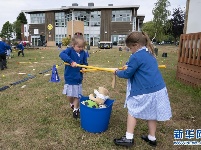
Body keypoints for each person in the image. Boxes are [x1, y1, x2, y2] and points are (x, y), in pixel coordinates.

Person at [113, 31, 172, 147]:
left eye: (130, 48)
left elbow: (127, 74)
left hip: (146, 91)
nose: (130, 50)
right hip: (159, 90)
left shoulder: (136, 56)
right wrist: (127, 64)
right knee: (152, 113)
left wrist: (117, 72)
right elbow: (136, 65)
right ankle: (152, 138)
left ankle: (128, 138)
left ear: (135, 45)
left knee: (132, 110)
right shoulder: (149, 52)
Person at [59, 34, 88, 119]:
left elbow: (85, 63)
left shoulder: (83, 53)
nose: (81, 49)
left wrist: (84, 67)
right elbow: (61, 54)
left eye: (82, 47)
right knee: (70, 95)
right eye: (79, 47)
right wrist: (71, 62)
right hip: (70, 77)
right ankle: (71, 103)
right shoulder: (69, 50)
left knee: (77, 95)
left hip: (78, 78)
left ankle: (76, 109)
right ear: (73, 45)